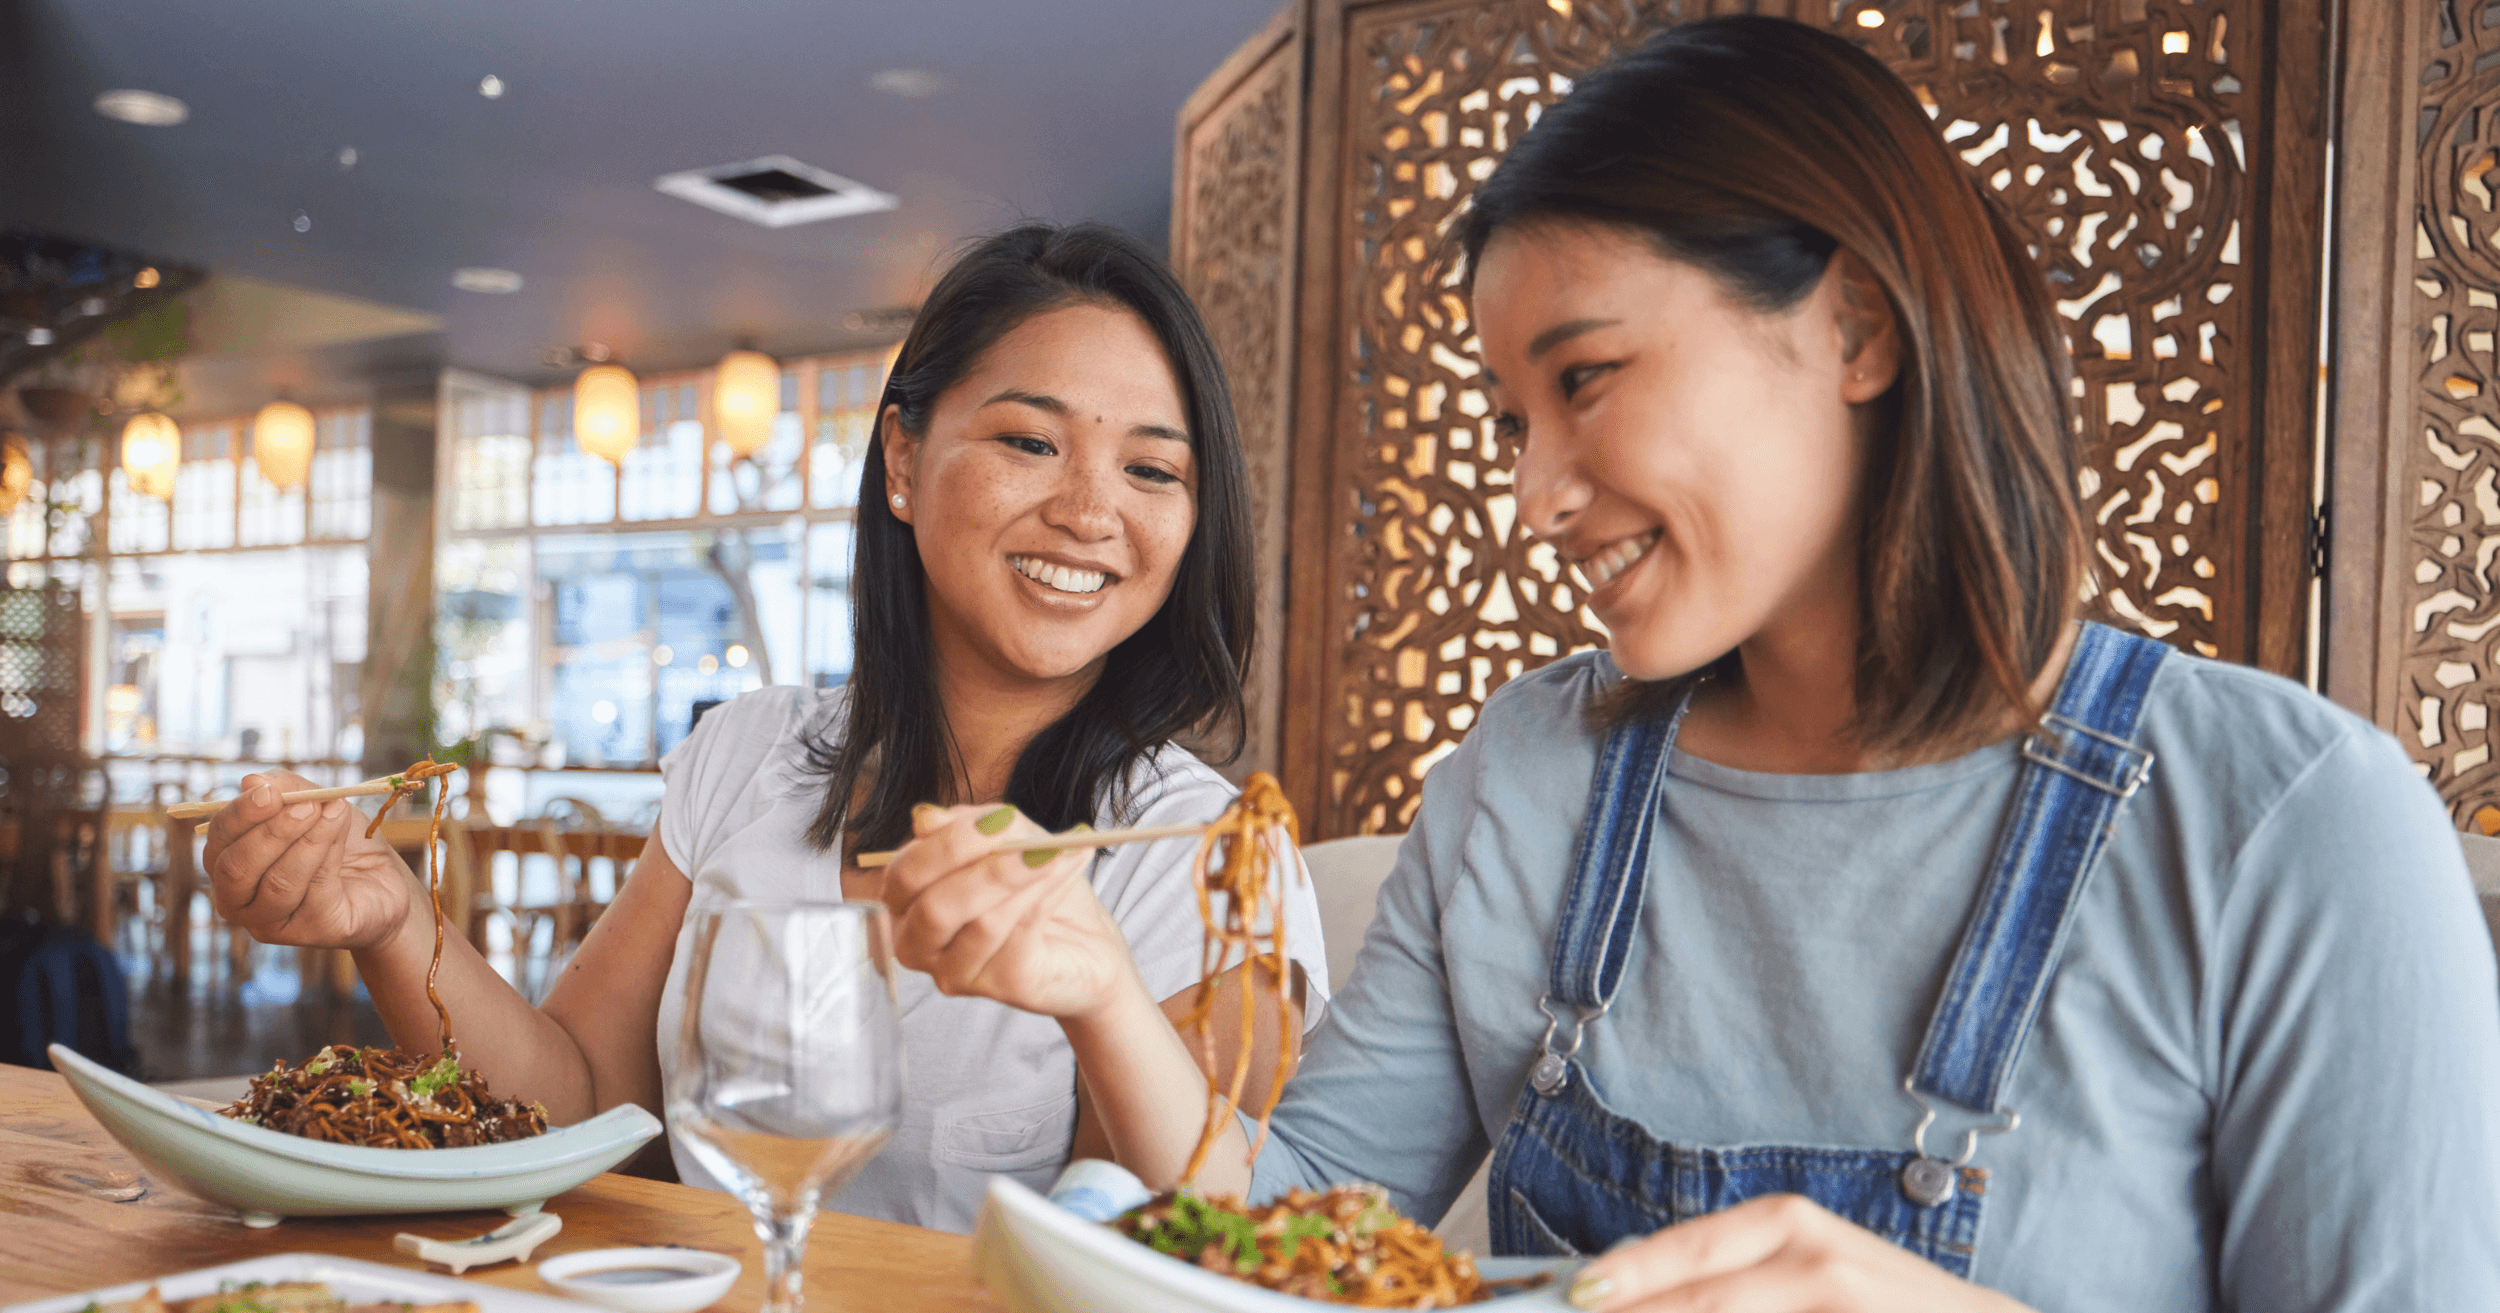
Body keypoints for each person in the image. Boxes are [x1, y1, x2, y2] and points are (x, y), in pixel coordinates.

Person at [875, 18, 2500, 1309]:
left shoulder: (2291, 827)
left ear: (1859, 326)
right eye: (1514, 418)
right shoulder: (1526, 772)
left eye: (1587, 379)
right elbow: (1306, 1237)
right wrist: (1096, 990)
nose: (1530, 495)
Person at [202, 221, 1329, 1234]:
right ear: (901, 459)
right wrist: (396, 923)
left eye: (1150, 468)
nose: (1090, 511)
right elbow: (581, 1103)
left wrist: (1103, 998)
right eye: (1030, 443)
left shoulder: (1209, 854)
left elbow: (1197, 1234)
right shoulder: (751, 754)